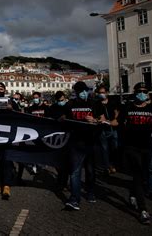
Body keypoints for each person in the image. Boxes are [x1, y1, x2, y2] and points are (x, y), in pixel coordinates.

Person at [121, 82, 152, 224]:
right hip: (131, 147)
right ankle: (143, 210)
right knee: (138, 173)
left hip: (148, 147)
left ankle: (133, 193)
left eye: (144, 91)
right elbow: (117, 122)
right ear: (134, 93)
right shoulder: (127, 107)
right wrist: (102, 121)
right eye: (139, 91)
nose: (142, 93)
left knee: (144, 175)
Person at [65, 81, 99, 211]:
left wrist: (95, 120)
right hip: (75, 142)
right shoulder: (70, 104)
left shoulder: (94, 104)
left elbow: (102, 120)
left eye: (85, 90)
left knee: (90, 171)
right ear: (76, 93)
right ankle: (74, 199)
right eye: (80, 91)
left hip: (90, 141)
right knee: (75, 172)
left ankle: (90, 191)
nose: (83, 93)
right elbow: (66, 121)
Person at [45, 91, 70, 191]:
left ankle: (63, 182)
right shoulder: (53, 107)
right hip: (57, 135)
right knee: (57, 160)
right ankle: (61, 180)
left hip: (68, 134)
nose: (60, 101)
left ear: (64, 97)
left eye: (62, 99)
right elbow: (49, 118)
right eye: (58, 99)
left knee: (66, 161)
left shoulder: (69, 106)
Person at [94, 85, 119, 175]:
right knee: (104, 149)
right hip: (103, 129)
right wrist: (105, 121)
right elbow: (101, 117)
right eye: (100, 93)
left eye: (103, 93)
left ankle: (113, 164)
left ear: (107, 93)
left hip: (114, 128)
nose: (101, 95)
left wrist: (115, 120)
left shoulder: (113, 102)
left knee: (114, 148)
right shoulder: (97, 104)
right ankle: (107, 166)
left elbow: (117, 113)